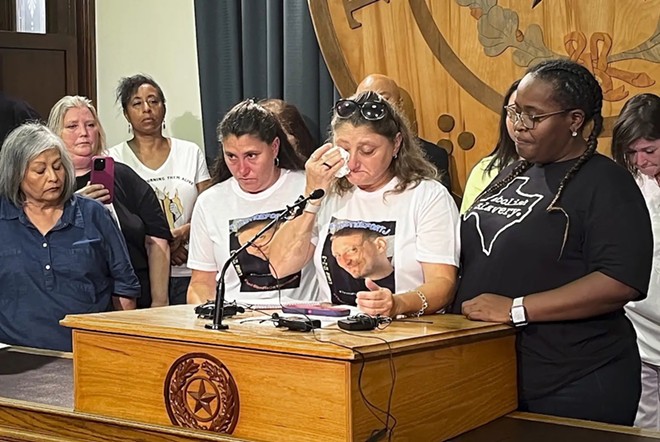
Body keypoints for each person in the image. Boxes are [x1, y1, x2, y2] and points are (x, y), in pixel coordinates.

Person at [452, 59, 652, 425]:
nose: (518, 126)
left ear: (574, 120)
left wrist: (517, 308)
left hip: (576, 377)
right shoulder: (512, 171)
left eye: (533, 115)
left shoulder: (607, 183)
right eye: (514, 112)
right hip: (496, 373)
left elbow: (620, 280)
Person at [268, 91, 459, 316]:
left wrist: (398, 303)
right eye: (344, 149)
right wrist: (312, 196)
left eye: (367, 151)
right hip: (336, 334)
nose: (354, 162)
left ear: (396, 144)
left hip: (406, 333)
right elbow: (279, 267)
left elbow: (443, 283)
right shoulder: (330, 193)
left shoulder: (427, 195)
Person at [0, 123, 140, 351]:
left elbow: (124, 287)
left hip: (87, 352)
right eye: (40, 170)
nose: (53, 177)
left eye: (58, 167)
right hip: (16, 358)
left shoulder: (94, 214)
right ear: (16, 174)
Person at [187, 99, 319, 305]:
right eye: (231, 156)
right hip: (234, 327)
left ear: (274, 147)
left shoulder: (308, 186)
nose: (242, 169)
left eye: (251, 155)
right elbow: (201, 282)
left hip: (301, 323)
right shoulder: (209, 203)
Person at [48, 96, 172, 309]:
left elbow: (157, 238)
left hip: (137, 297)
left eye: (90, 125)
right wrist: (77, 205)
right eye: (72, 126)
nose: (84, 133)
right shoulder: (50, 185)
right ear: (54, 134)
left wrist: (160, 301)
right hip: (78, 299)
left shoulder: (125, 177)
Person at [109, 74, 211, 305]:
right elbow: (117, 218)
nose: (147, 109)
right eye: (137, 103)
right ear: (126, 113)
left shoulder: (190, 152)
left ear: (164, 108)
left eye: (154, 101)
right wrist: (163, 244)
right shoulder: (114, 158)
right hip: (142, 272)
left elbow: (210, 206)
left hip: (189, 269)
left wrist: (184, 233)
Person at [611, 93, 660, 430]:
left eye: (650, 150)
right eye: (632, 153)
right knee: (645, 421)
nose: (641, 161)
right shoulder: (625, 185)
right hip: (640, 326)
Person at [356, 74, 452, 192]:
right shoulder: (345, 158)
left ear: (400, 104)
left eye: (383, 99)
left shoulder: (433, 156)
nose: (373, 107)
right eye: (364, 100)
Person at [460, 80, 519, 213]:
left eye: (531, 115)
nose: (520, 124)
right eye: (513, 113)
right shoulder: (486, 169)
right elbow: (468, 226)